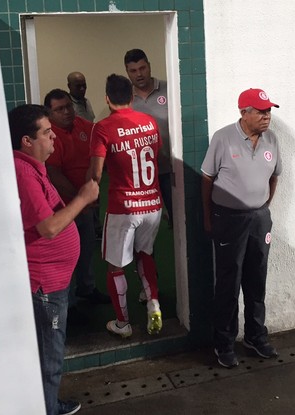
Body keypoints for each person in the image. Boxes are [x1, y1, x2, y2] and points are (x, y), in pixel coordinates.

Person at [9, 104, 99, 415]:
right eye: (47, 134)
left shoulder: (32, 167)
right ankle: (47, 409)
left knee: (48, 351)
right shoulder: (23, 173)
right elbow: (48, 228)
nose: (53, 139)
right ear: (27, 141)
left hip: (52, 281)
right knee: (50, 355)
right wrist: (83, 199)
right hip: (45, 286)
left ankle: (46, 403)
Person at [200, 88, 282, 368]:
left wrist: (261, 207)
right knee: (228, 283)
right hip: (228, 219)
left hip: (258, 219)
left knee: (257, 280)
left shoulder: (271, 140)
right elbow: (207, 179)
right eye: (260, 111)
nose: (266, 116)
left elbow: (274, 177)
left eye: (269, 111)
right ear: (243, 112)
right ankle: (224, 344)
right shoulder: (223, 138)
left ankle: (256, 336)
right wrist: (209, 217)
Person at [88, 74, 163, 338]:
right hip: (153, 202)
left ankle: (123, 323)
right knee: (146, 253)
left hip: (124, 206)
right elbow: (155, 153)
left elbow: (96, 173)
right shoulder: (149, 122)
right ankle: (153, 301)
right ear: (131, 97)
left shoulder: (103, 128)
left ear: (107, 99)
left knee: (115, 266)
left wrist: (89, 196)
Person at [43, 89, 110, 319]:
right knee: (68, 252)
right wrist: (80, 198)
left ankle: (87, 288)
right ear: (49, 114)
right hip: (65, 205)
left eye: (68, 107)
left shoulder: (85, 127)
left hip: (87, 201)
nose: (66, 112)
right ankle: (69, 303)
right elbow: (53, 172)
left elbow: (98, 156)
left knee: (88, 246)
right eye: (59, 109)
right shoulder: (50, 136)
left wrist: (93, 191)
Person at [124, 49, 173, 228]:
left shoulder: (169, 89)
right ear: (127, 72)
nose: (139, 74)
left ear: (149, 67)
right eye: (133, 71)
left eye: (142, 68)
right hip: (140, 174)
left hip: (170, 169)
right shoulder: (125, 98)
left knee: (178, 217)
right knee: (143, 225)